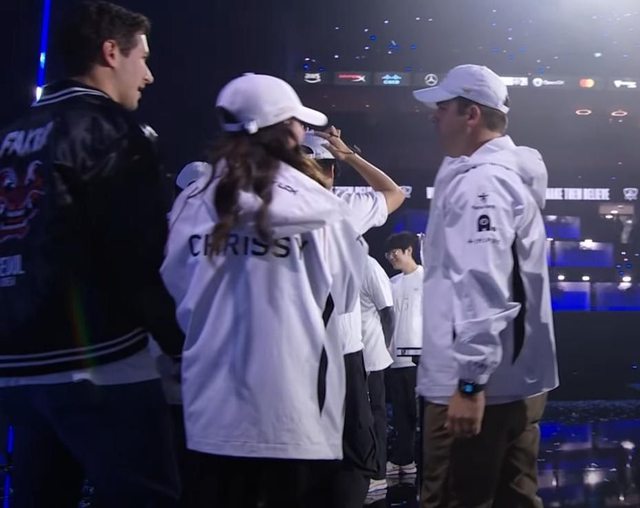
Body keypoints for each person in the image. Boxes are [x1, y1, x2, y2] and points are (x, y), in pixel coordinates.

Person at [0, 2, 183, 506]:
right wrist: (178, 343)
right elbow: (136, 251)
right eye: (142, 58)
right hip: (101, 360)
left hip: (16, 366)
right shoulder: (114, 131)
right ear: (110, 52)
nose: (148, 75)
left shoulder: (9, 134)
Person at [160, 73, 368, 508]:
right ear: (289, 131)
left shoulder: (191, 202)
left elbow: (174, 290)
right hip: (296, 414)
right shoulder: (322, 207)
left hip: (209, 414)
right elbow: (346, 296)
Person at [413, 64, 559, 507]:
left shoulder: (483, 182)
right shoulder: (503, 175)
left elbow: (482, 282)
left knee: (454, 497)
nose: (434, 116)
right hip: (515, 382)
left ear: (471, 114)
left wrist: (470, 383)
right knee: (514, 497)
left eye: (443, 107)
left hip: (475, 389)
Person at [302, 130, 404, 505]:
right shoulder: (344, 206)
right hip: (342, 349)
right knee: (356, 450)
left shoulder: (265, 205)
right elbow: (394, 192)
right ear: (330, 171)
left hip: (290, 351)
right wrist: (349, 155)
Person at [384, 231, 424, 477]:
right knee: (401, 413)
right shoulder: (391, 283)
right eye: (388, 254)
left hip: (419, 357)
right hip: (395, 357)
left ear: (409, 250)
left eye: (394, 252)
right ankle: (405, 459)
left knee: (420, 413)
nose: (391, 257)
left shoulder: (427, 279)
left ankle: (426, 461)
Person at [359, 255, 395, 494]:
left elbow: (388, 312)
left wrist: (385, 345)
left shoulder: (370, 267)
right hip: (347, 355)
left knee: (375, 413)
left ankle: (378, 472)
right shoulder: (336, 261)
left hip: (370, 354)